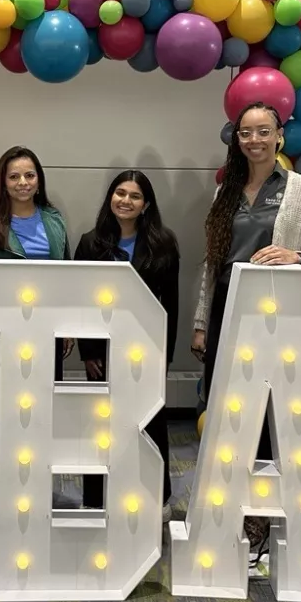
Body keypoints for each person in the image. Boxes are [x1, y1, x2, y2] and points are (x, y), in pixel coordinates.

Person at [192, 101, 301, 556]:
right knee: (231, 418)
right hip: (227, 315)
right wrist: (201, 323)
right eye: (245, 133)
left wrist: (297, 258)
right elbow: (211, 265)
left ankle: (264, 524)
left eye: (262, 132)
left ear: (279, 137)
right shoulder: (226, 193)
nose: (253, 140)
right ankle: (230, 516)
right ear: (236, 140)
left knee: (274, 420)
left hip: (277, 320)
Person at [74, 170, 179, 521]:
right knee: (100, 427)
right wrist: (88, 354)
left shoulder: (164, 244)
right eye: (119, 193)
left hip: (146, 350)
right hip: (103, 354)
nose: (125, 201)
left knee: (149, 425)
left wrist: (165, 357)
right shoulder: (91, 243)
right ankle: (95, 499)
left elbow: (171, 306)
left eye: (134, 196)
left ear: (146, 204)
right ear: (110, 198)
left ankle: (157, 497)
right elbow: (81, 303)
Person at [0, 146, 72, 411]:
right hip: (7, 327)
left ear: (39, 181)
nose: (23, 183)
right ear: (3, 182)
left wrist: (69, 326)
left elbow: (68, 277)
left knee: (50, 396)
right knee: (10, 401)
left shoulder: (54, 220)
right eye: (14, 177)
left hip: (50, 325)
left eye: (29, 175)